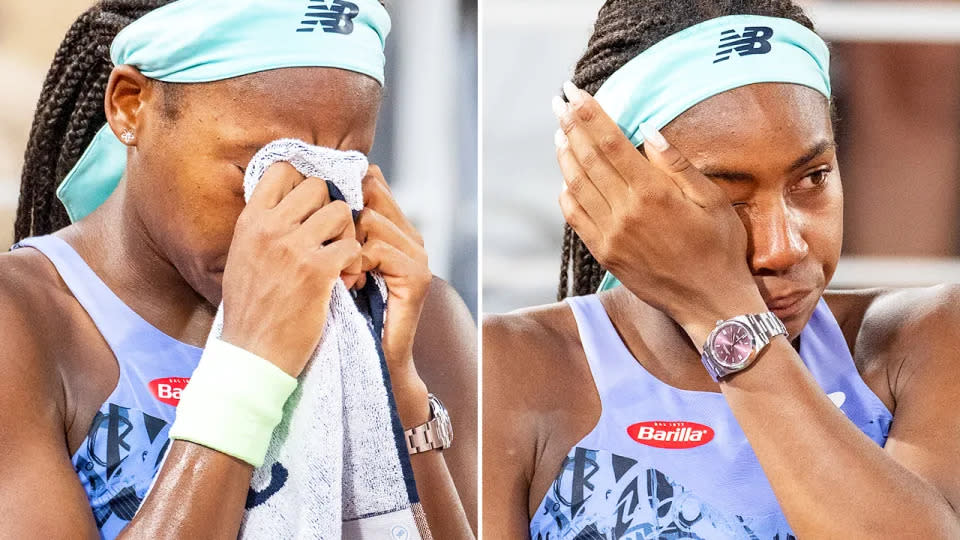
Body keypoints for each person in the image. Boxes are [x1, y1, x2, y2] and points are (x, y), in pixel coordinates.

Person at [483, 1, 960, 538]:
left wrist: (722, 314)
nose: (784, 247)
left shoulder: (925, 336)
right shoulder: (509, 366)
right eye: (725, 199)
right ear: (613, 196)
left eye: (812, 178)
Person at [1, 0, 476, 538]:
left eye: (340, 170)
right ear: (131, 107)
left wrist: (398, 390)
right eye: (257, 170)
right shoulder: (23, 322)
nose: (300, 214)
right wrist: (250, 363)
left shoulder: (418, 319)